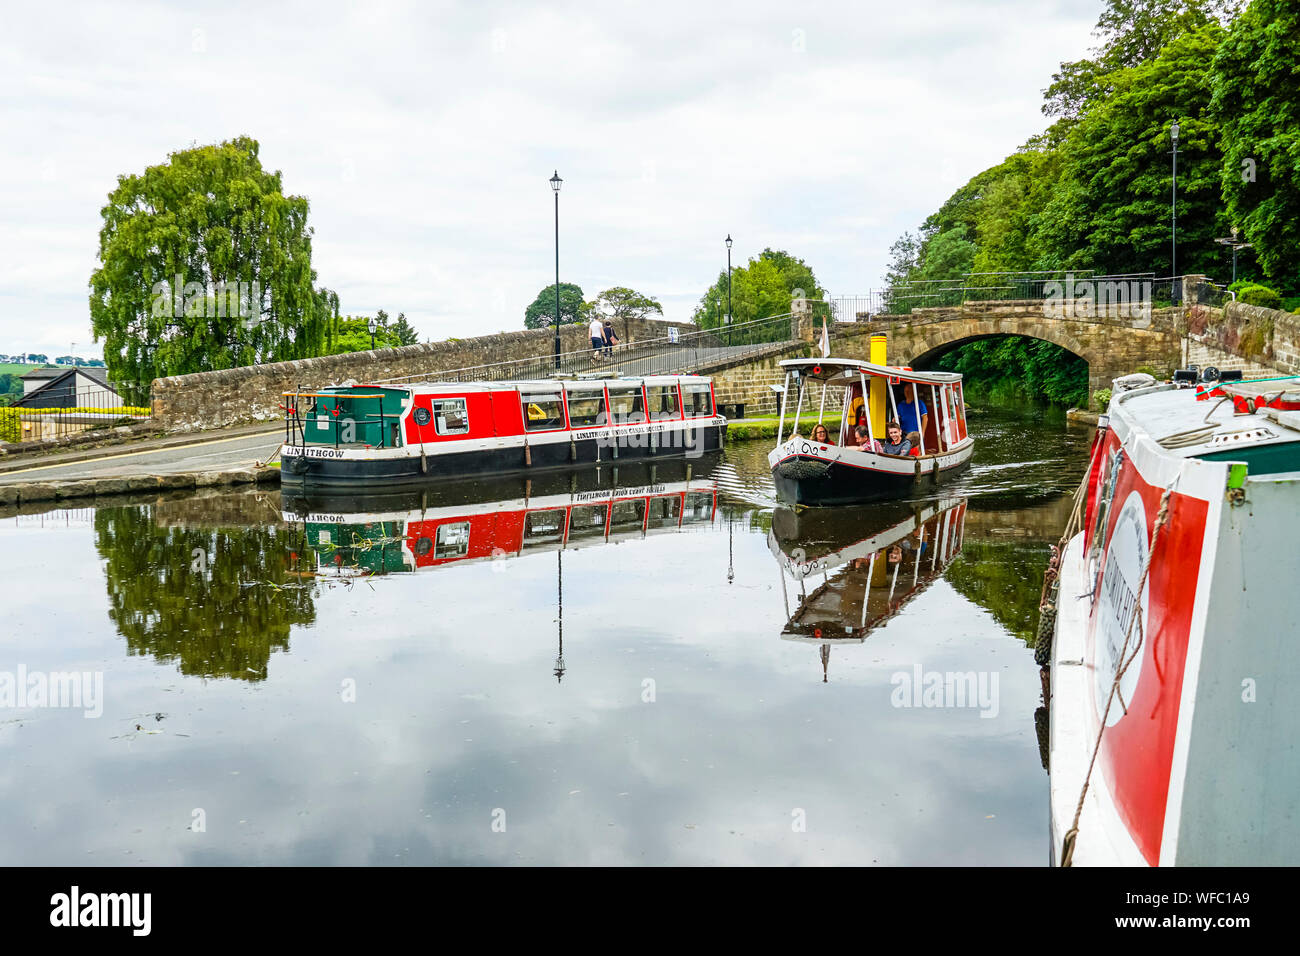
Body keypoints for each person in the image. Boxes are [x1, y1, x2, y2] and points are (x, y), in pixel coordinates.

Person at [897, 383, 928, 447]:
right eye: (906, 391)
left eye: (909, 391)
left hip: (916, 434)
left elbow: (925, 418)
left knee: (916, 451)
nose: (907, 393)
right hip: (904, 434)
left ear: (914, 392)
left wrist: (922, 433)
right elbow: (897, 418)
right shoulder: (901, 405)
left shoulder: (919, 403)